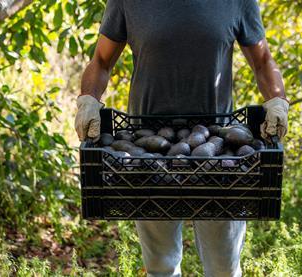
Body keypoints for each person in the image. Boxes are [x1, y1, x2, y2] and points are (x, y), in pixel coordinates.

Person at [75, 0, 289, 276]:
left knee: (223, 267)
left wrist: (277, 101)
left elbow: (262, 61)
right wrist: (88, 100)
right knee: (160, 265)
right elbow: (102, 60)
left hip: (219, 149)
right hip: (146, 148)